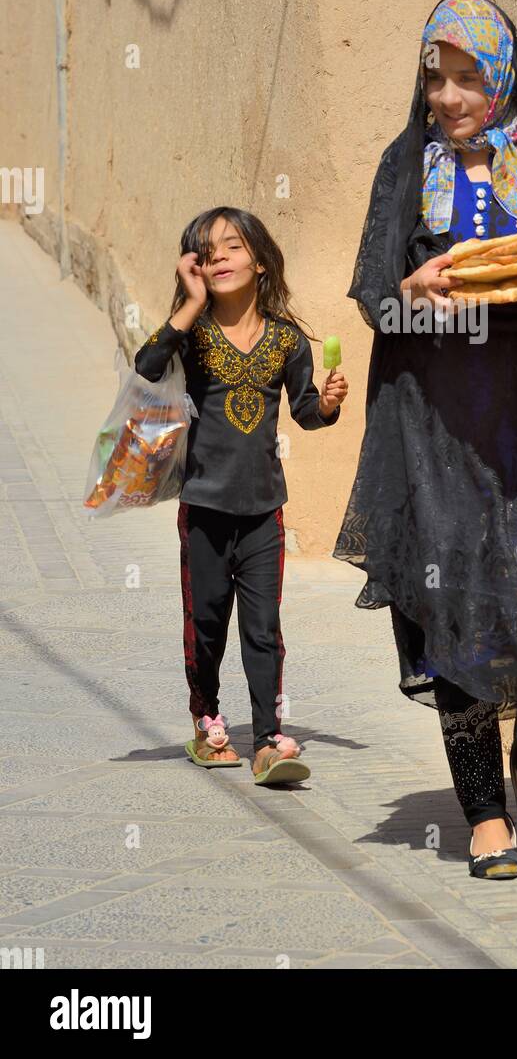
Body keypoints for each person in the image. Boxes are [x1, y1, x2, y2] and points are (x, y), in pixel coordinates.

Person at [333, 0, 517, 877]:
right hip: (433, 423)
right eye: (433, 77)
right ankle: (485, 810)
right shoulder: (405, 164)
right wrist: (410, 293)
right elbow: (373, 290)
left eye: (466, 78)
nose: (446, 97)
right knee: (454, 603)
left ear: (502, 79)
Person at [134, 206, 348, 784]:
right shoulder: (194, 333)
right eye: (207, 251)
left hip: (263, 512)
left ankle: (270, 739)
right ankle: (206, 722)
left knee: (263, 628)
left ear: (258, 259)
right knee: (205, 624)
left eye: (231, 247)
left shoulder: (285, 339)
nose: (219, 257)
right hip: (203, 508)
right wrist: (189, 304)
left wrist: (326, 403)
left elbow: (306, 413)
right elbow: (147, 366)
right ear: (194, 268)